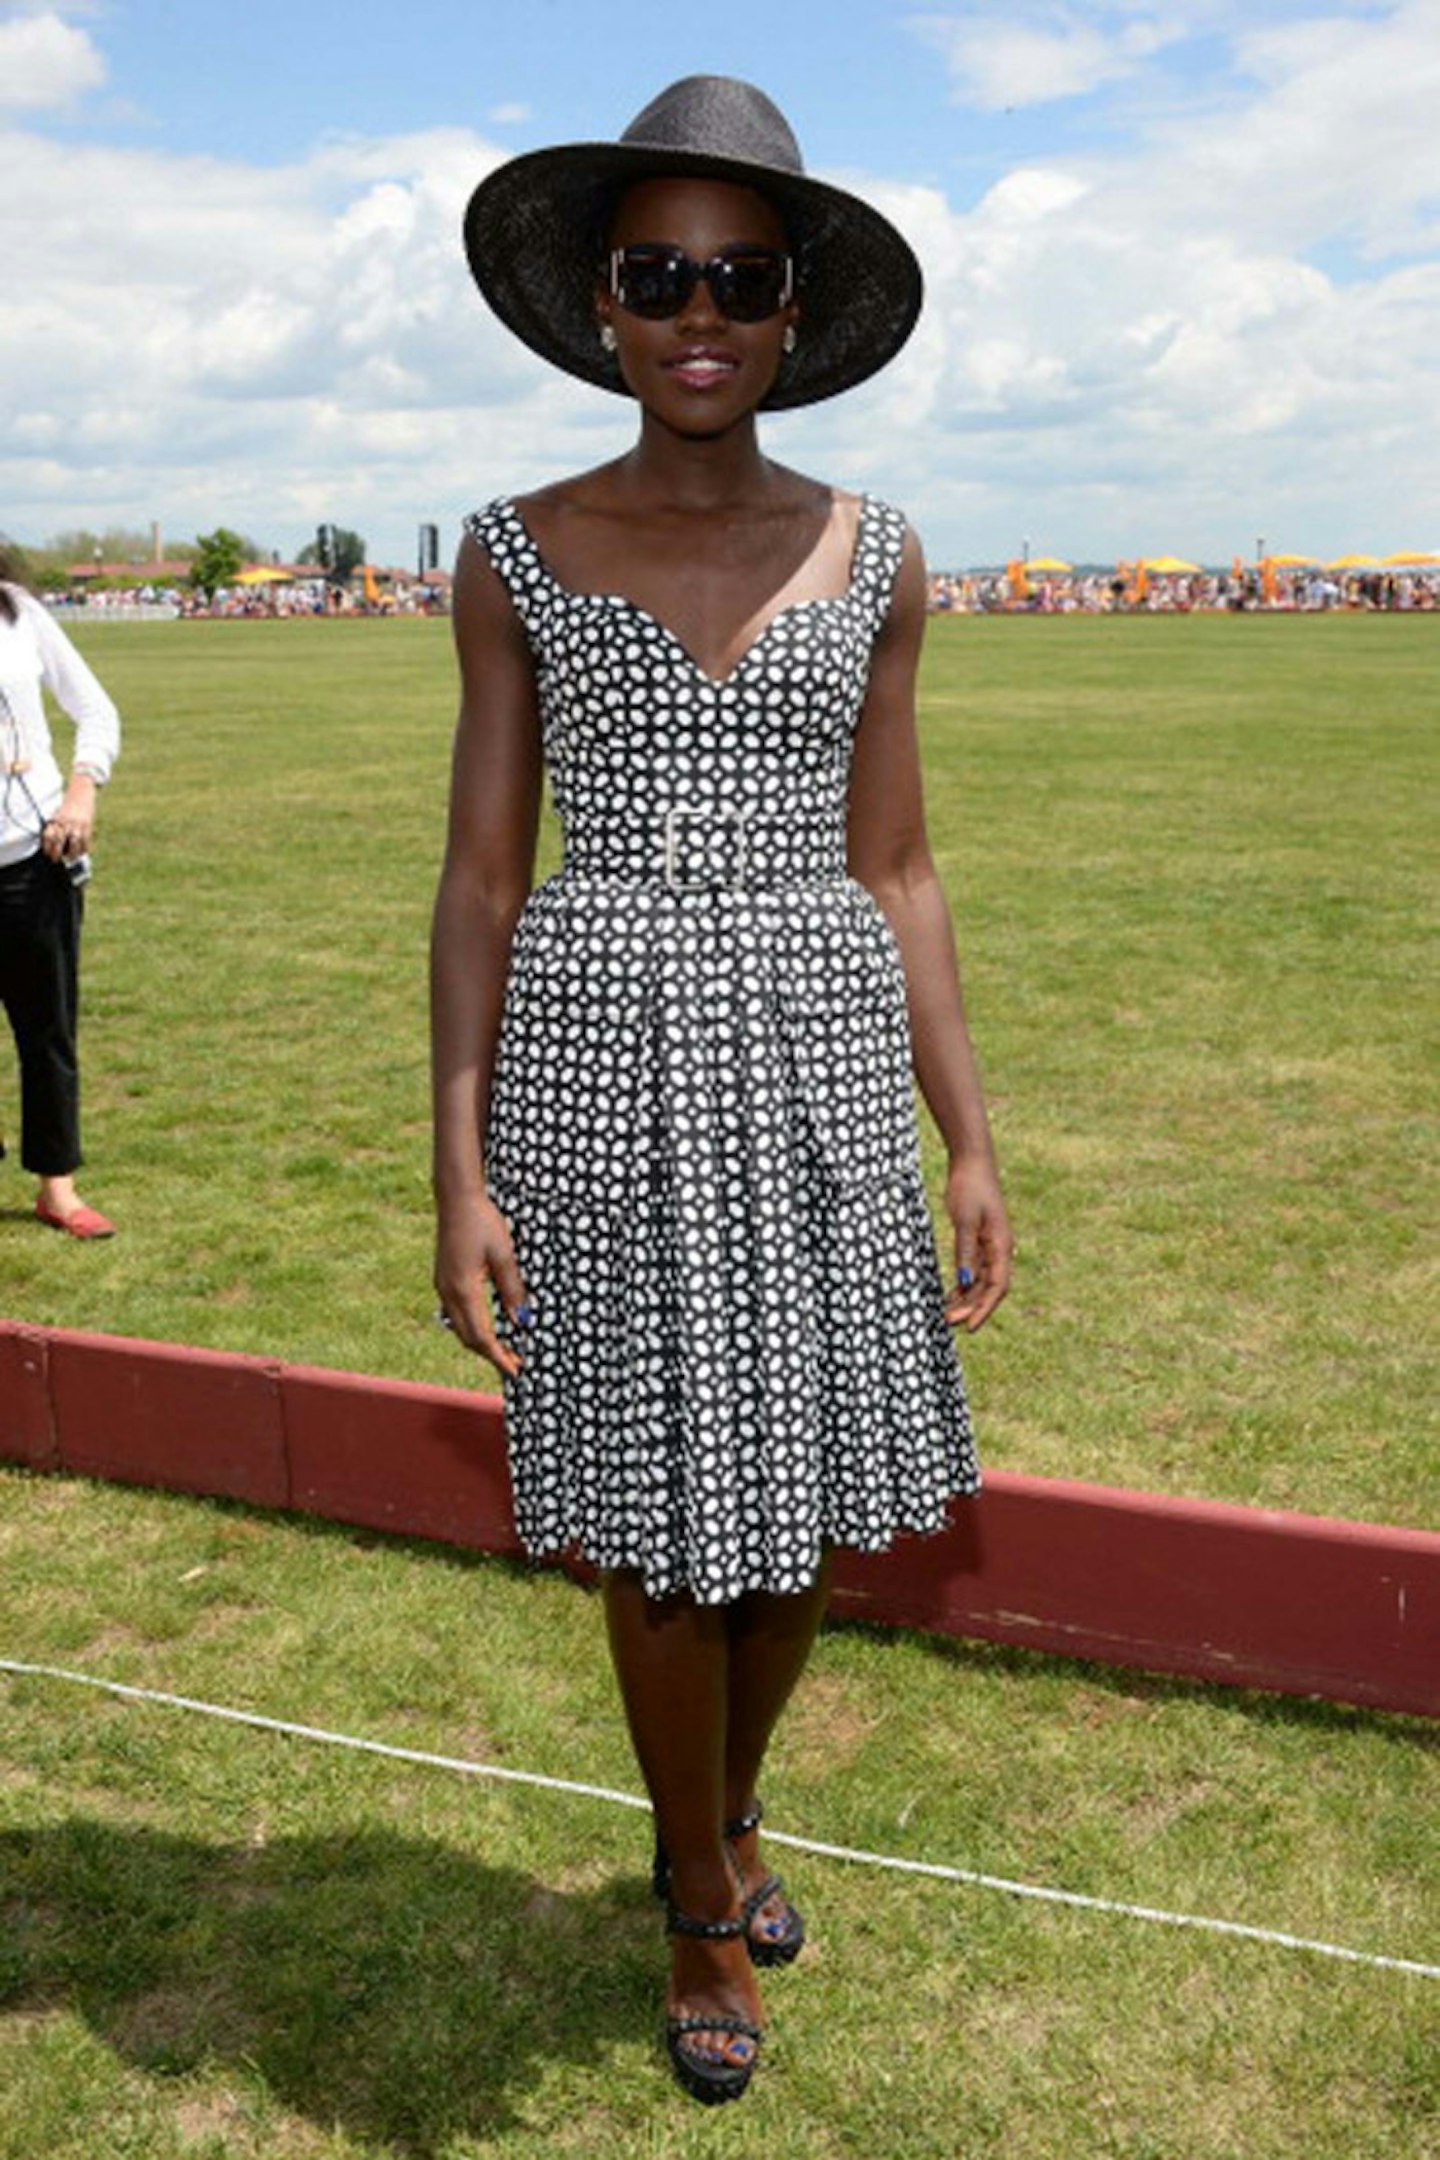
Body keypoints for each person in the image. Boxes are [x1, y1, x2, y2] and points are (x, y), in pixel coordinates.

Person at [431, 76, 1011, 2105]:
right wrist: (457, 1163)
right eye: (661, 272)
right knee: (662, 1533)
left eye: (738, 278)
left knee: (802, 1518)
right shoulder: (511, 555)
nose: (700, 310)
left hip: (829, 1068)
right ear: (603, 301)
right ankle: (694, 1890)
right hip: (601, 1077)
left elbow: (903, 867)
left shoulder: (880, 553)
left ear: (792, 312)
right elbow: (487, 874)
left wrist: (968, 1132)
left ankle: (727, 1813)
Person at [0, 547, 120, 1238]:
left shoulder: (23, 615)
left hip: (34, 859)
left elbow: (96, 711)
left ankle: (58, 1188)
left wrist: (81, 790)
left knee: (47, 1028)